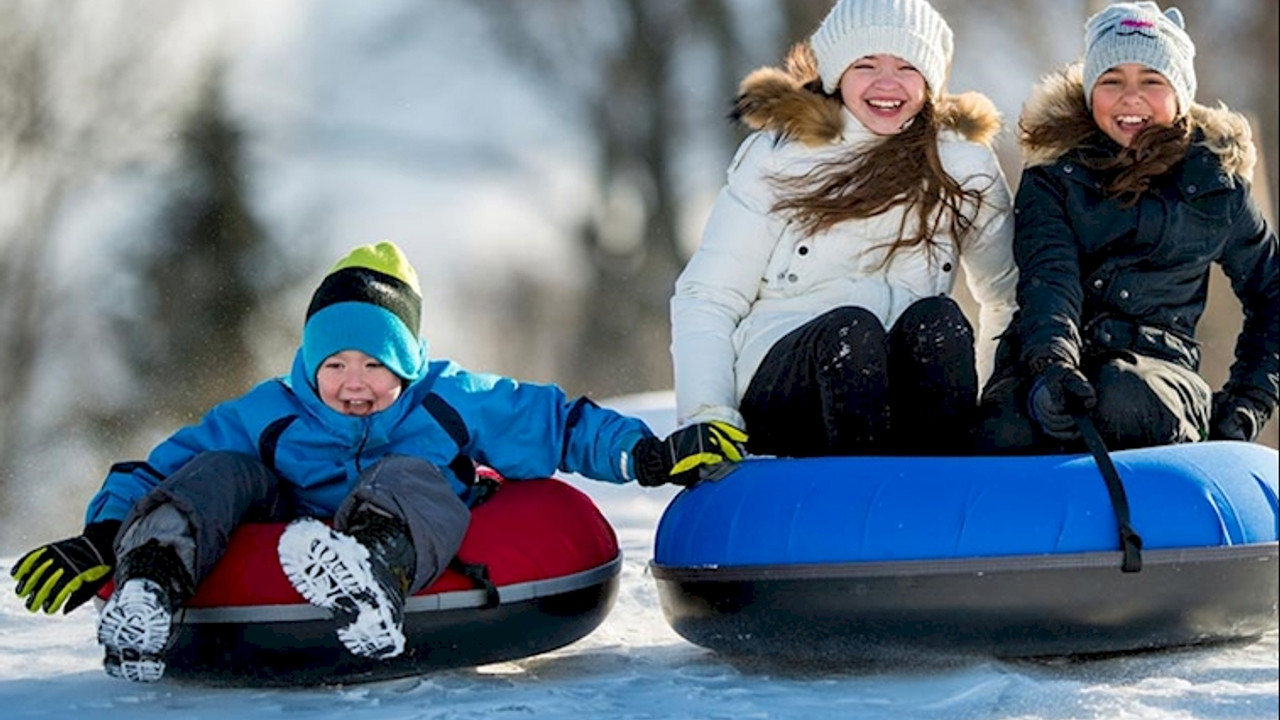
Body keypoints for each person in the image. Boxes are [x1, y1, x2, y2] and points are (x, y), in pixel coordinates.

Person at [10, 241, 741, 683]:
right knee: (218, 472)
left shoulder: (449, 400)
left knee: (411, 473)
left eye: (375, 364)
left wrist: (648, 454)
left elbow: (557, 424)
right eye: (334, 363)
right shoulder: (270, 412)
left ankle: (368, 578)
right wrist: (102, 538)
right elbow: (157, 471)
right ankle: (152, 589)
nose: (353, 383)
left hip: (403, 525)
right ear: (307, 362)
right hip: (287, 530)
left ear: (408, 364)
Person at [671, 0, 1018, 458]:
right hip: (788, 381)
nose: (887, 83)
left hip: (898, 387)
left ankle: (943, 494)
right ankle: (852, 505)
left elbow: (1008, 295)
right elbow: (709, 294)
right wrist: (707, 414)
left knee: (941, 321)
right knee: (852, 333)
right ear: (837, 73)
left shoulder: (962, 164)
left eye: (906, 66)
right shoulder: (781, 155)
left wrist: (999, 404)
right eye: (866, 64)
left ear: (930, 78)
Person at [976, 2, 1278, 453]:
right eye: (1112, 80)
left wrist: (1248, 402)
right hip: (1046, 359)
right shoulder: (1054, 175)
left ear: (1180, 93)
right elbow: (1048, 277)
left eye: (1152, 81)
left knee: (1121, 395)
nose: (1130, 97)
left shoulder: (1218, 185)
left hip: (1160, 373)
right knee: (1009, 426)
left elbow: (1271, 294)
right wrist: (1052, 366)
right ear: (1090, 92)